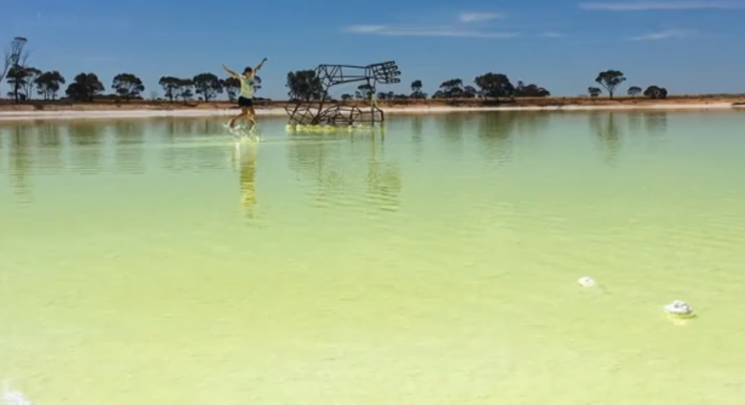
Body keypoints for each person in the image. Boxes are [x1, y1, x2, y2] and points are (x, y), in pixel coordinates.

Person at [222, 58, 266, 131]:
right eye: (248, 72)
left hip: (249, 99)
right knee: (245, 113)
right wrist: (226, 69)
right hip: (242, 98)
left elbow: (257, 68)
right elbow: (234, 73)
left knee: (253, 114)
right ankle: (233, 120)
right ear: (245, 73)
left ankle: (250, 121)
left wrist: (262, 62)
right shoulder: (242, 78)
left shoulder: (252, 76)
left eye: (250, 72)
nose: (250, 73)